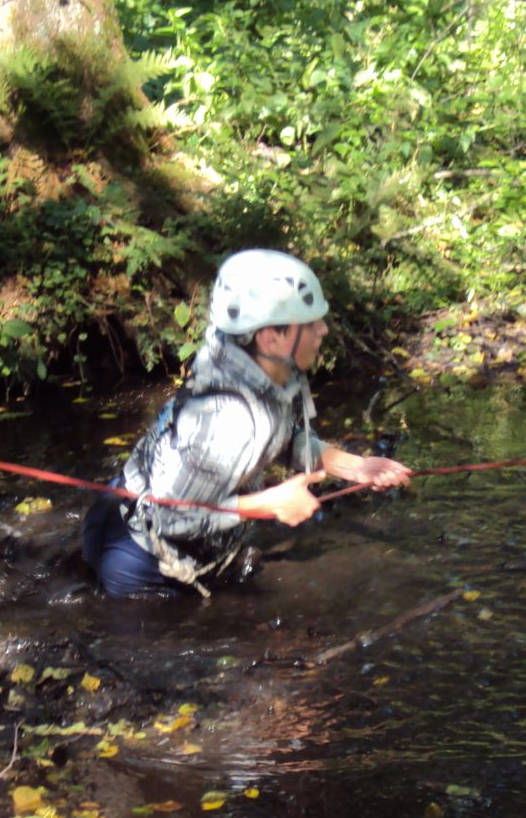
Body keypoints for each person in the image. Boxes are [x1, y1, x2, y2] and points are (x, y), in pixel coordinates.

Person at [81, 249, 411, 597]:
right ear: (270, 337)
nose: (324, 330)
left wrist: (357, 467)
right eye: (312, 323)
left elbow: (280, 435)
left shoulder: (261, 363)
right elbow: (168, 517)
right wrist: (268, 504)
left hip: (136, 520)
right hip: (138, 560)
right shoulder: (226, 419)